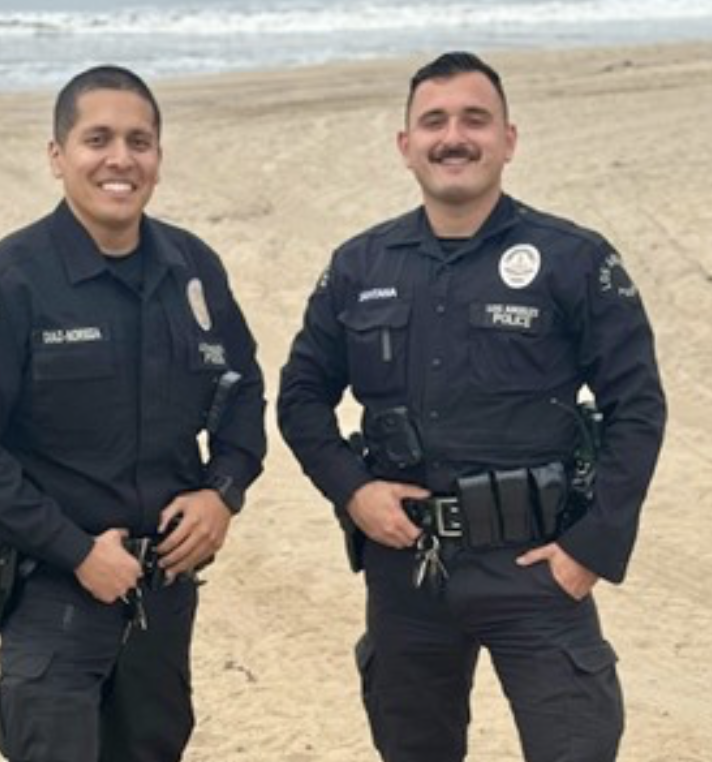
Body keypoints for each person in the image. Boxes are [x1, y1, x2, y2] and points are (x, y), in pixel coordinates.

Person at [277, 51, 666, 762]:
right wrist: (353, 489)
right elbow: (300, 396)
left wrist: (590, 550)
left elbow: (637, 406)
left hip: (536, 569)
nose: (453, 136)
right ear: (406, 146)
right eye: (434, 121)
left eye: (474, 120)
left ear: (507, 140)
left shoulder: (573, 260)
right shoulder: (360, 265)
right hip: (407, 574)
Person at [0, 65, 266, 762]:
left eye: (139, 141)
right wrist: (78, 552)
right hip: (53, 594)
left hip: (164, 593)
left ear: (159, 158)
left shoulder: (193, 268)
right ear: (58, 156)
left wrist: (222, 493)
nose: (120, 159)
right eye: (97, 139)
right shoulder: (8, 281)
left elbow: (242, 391)